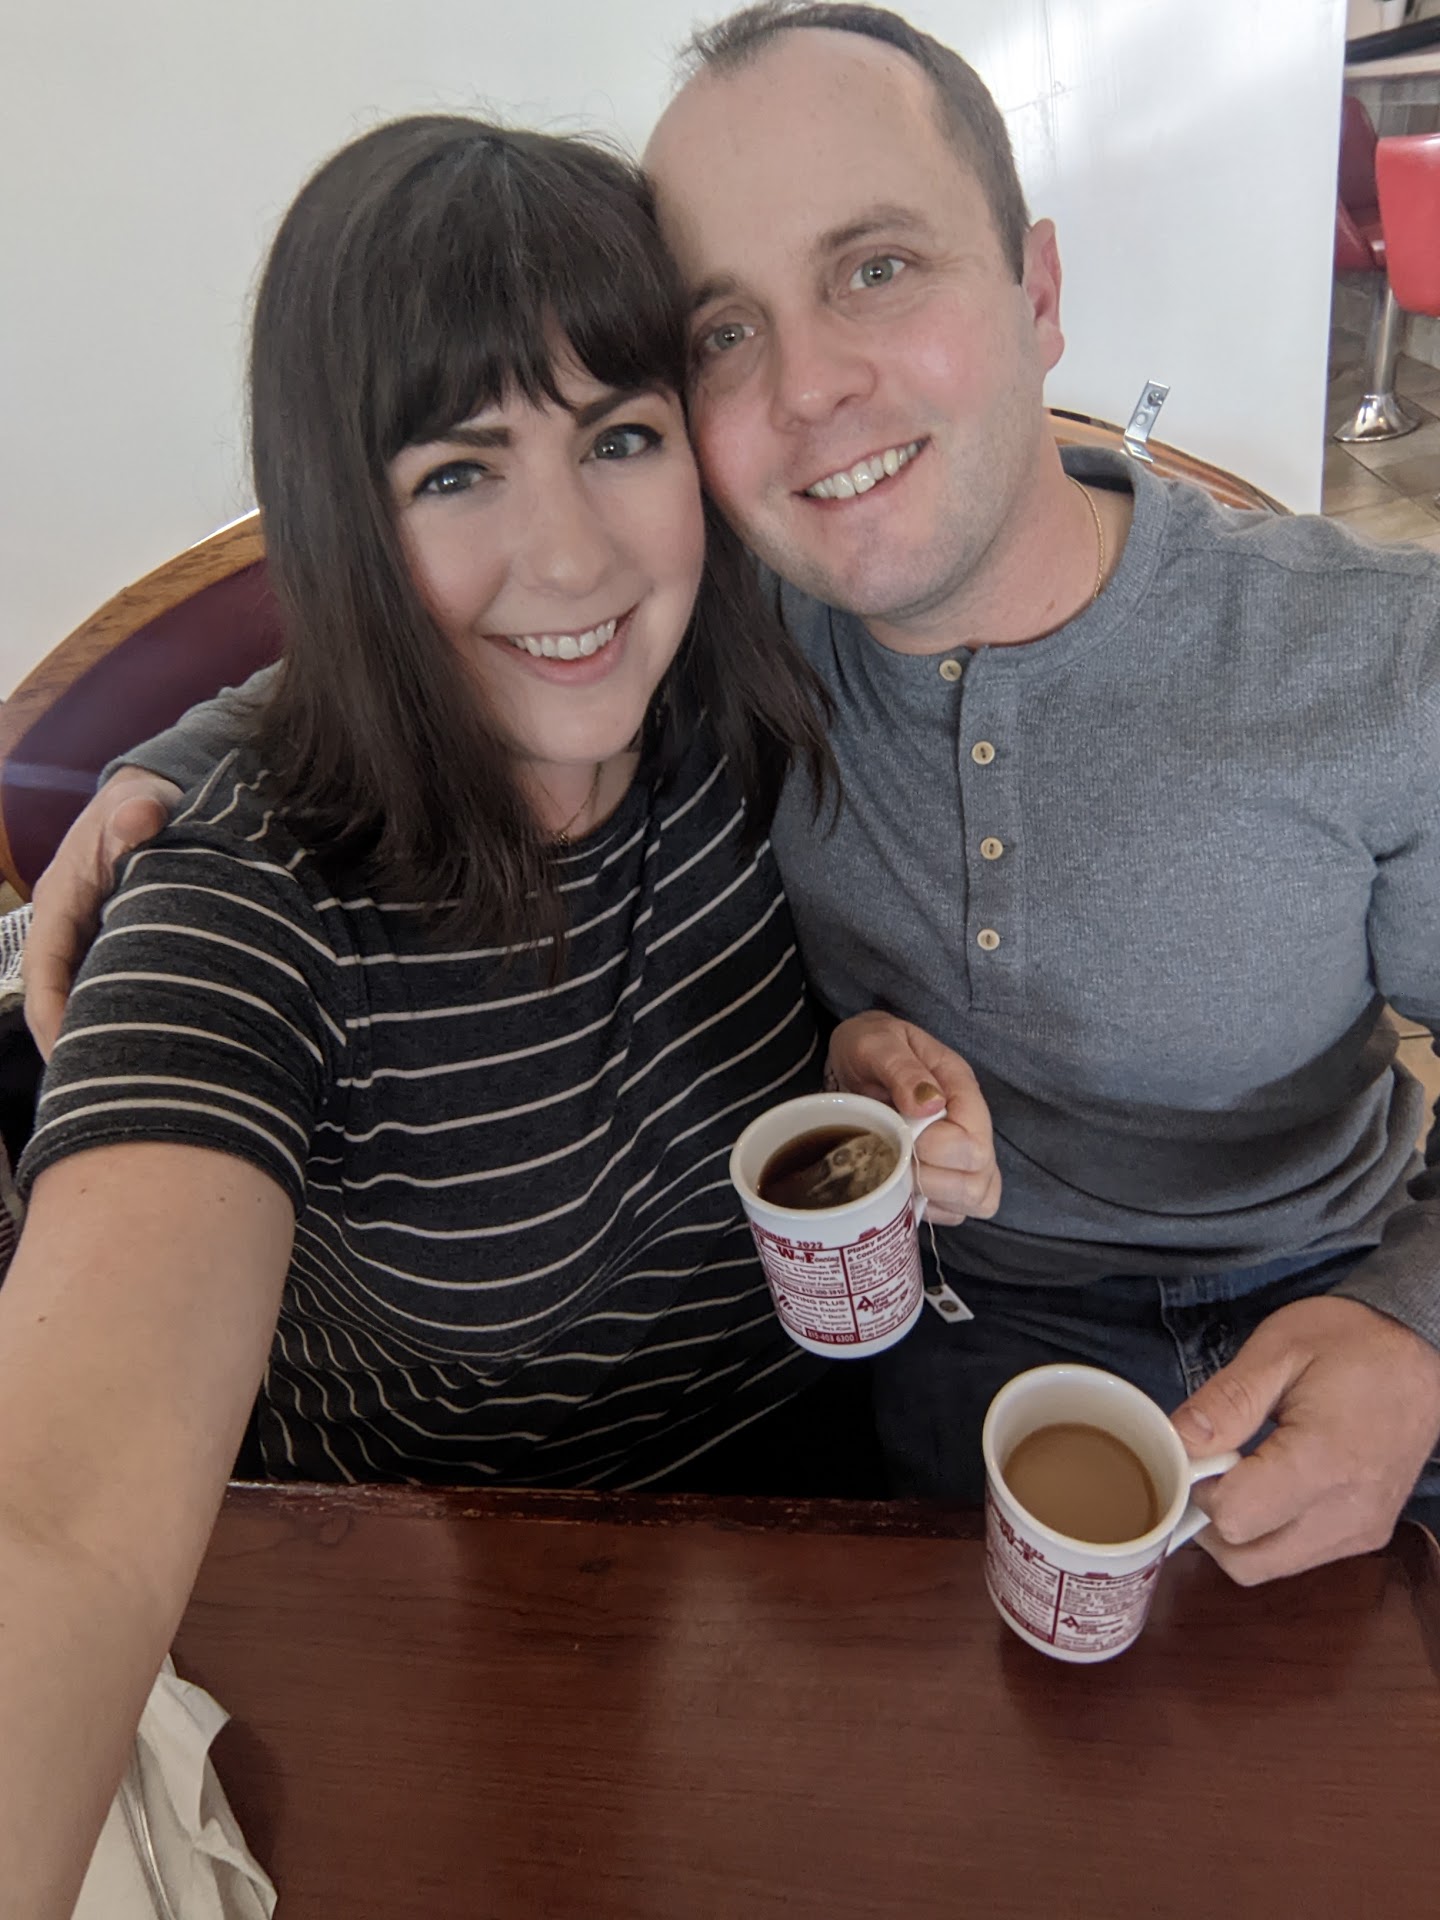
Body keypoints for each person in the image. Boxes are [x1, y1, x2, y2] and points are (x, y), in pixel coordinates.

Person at [27, 3, 1440, 1588]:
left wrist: (1418, 1329)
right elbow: (56, 1517)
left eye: (877, 267)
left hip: (1317, 1322)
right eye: (725, 334)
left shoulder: (1369, 661)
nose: (810, 388)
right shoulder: (725, 637)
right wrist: (164, 766)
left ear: (1038, 292)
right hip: (860, 1421)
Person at [1, 113, 1004, 1916]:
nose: (571, 559)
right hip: (438, 1653)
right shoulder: (242, 902)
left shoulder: (739, 694)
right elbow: (55, 1525)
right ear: (342, 517)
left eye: (619, 438)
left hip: (821, 1588)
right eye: (458, 472)